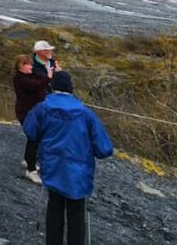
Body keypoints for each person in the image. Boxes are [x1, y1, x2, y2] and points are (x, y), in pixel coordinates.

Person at [23, 72, 113, 245]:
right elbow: (104, 149)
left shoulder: (42, 108)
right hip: (79, 172)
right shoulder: (86, 114)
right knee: (77, 213)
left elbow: (30, 131)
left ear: (52, 87)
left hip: (53, 166)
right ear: (71, 89)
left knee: (54, 207)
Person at [13, 54, 50, 185]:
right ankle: (31, 170)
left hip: (34, 112)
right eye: (27, 64)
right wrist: (48, 77)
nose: (30, 67)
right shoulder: (20, 79)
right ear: (20, 66)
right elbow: (36, 85)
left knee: (34, 138)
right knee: (34, 138)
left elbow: (39, 77)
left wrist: (48, 70)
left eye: (31, 64)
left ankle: (28, 160)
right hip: (26, 113)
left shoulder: (29, 75)